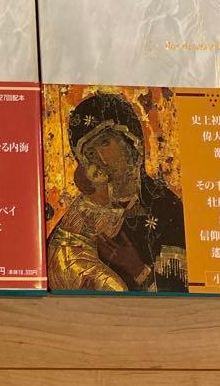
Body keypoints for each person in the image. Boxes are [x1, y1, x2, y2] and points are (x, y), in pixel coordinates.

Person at [47, 91, 187, 293]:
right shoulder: (83, 217)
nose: (101, 158)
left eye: (105, 142)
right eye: (90, 152)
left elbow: (177, 295)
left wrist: (137, 269)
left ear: (132, 142)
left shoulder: (165, 209)